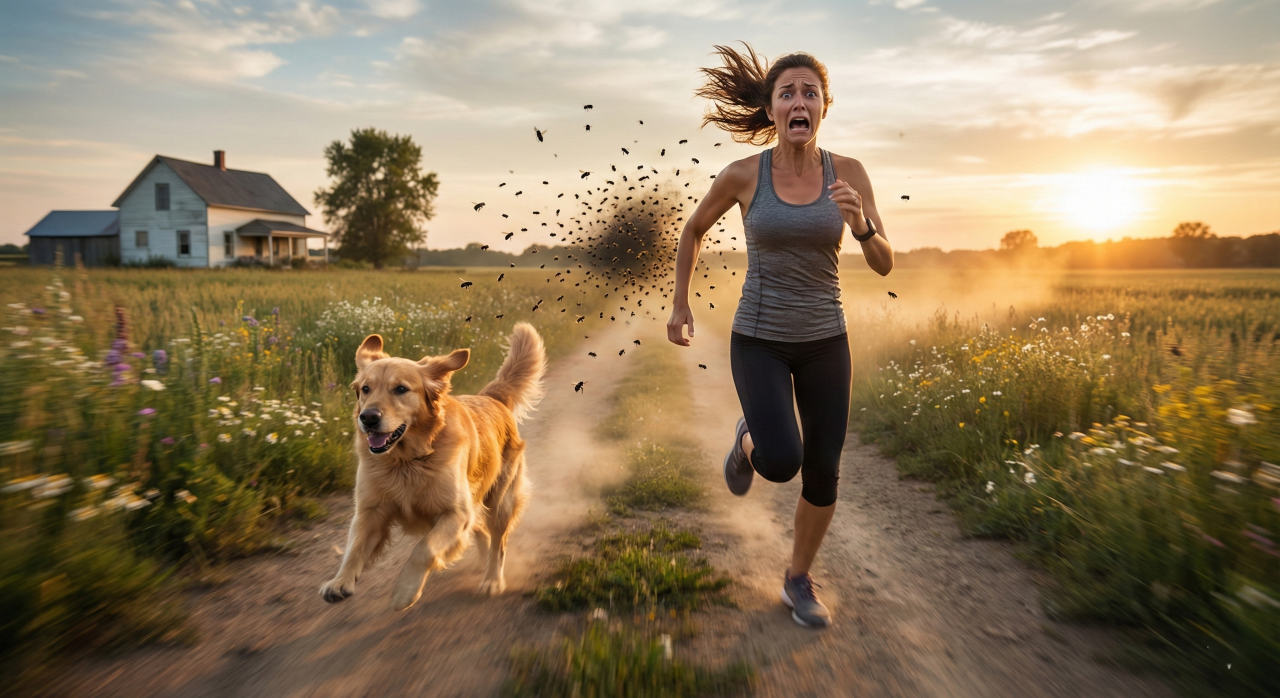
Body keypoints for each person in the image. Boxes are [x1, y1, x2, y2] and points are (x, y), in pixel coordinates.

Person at [666, 43, 893, 628]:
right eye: (787, 93)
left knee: (823, 468)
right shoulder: (744, 176)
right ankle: (749, 442)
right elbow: (692, 231)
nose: (799, 101)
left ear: (824, 107)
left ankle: (798, 579)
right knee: (781, 460)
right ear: (771, 111)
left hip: (825, 339)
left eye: (809, 92)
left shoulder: (852, 174)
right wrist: (680, 303)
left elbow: (885, 262)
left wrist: (861, 223)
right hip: (760, 338)